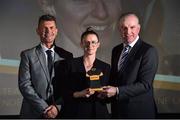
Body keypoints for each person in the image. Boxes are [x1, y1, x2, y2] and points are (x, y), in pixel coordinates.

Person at [103, 12, 158, 118]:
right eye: (124, 28)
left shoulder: (148, 51)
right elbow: (116, 78)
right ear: (119, 29)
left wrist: (117, 91)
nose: (128, 32)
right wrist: (104, 92)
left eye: (132, 27)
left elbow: (145, 85)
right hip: (118, 111)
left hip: (139, 113)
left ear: (138, 28)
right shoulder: (116, 50)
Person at [18, 14, 73, 118]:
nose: (48, 31)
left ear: (56, 31)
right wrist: (44, 108)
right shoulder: (27, 55)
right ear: (38, 31)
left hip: (59, 113)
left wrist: (57, 107)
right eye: (44, 28)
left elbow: (69, 85)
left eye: (51, 28)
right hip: (33, 113)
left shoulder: (67, 56)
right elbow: (24, 85)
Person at [54, 27, 110, 118]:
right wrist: (80, 94)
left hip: (97, 113)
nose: (90, 45)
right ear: (81, 44)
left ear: (98, 44)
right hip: (74, 112)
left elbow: (108, 98)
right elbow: (62, 92)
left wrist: (103, 95)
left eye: (93, 42)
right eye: (86, 42)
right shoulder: (69, 65)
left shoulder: (105, 67)